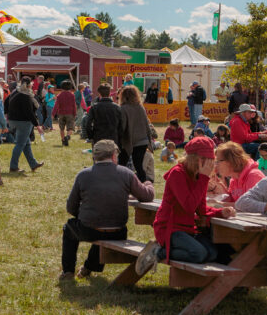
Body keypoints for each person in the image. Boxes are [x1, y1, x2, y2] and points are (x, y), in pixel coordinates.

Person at [136, 137, 237, 276]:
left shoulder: (197, 176)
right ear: (194, 158)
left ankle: (164, 251)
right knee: (199, 254)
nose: (208, 164)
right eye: (205, 159)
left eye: (209, 160)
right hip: (170, 228)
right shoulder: (177, 173)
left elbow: (200, 209)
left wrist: (221, 212)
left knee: (213, 254)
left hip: (188, 228)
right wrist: (203, 179)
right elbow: (189, 206)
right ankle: (158, 251)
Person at [59, 139, 154, 279]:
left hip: (89, 229)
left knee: (70, 229)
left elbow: (71, 206)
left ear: (94, 157)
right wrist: (148, 184)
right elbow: (147, 196)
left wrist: (85, 215)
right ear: (114, 155)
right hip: (118, 231)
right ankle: (89, 268)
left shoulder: (83, 175)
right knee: (102, 230)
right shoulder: (126, 173)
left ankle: (68, 271)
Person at [5, 76, 43, 174]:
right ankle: (13, 167)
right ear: (29, 85)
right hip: (23, 122)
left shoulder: (15, 92)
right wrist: (37, 125)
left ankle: (33, 164)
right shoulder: (26, 96)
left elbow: (5, 103)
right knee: (20, 144)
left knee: (26, 144)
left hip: (13, 121)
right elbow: (29, 112)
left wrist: (7, 115)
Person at [118, 85, 152, 183]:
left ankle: (120, 184)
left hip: (129, 141)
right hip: (142, 140)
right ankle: (144, 187)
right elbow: (146, 124)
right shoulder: (140, 107)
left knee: (121, 165)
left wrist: (119, 139)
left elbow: (122, 126)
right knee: (139, 166)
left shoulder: (123, 108)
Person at [53, 80, 77, 146]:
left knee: (62, 128)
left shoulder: (59, 95)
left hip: (61, 113)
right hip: (70, 113)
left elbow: (56, 105)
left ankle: (63, 140)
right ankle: (68, 136)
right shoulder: (72, 95)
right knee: (70, 127)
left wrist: (53, 113)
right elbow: (74, 105)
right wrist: (75, 113)